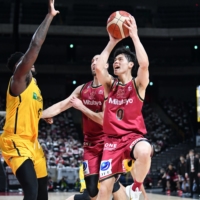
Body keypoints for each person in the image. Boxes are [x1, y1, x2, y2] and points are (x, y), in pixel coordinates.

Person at [42, 55, 126, 200]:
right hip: (90, 144)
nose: (94, 63)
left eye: (98, 60)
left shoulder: (113, 87)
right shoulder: (82, 90)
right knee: (92, 190)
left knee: (110, 183)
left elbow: (104, 120)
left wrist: (82, 107)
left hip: (110, 143)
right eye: (92, 61)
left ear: (106, 65)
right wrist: (41, 115)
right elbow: (62, 105)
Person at [0, 1, 59, 200]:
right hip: (15, 142)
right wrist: (49, 16)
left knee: (43, 189)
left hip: (33, 143)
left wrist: (42, 117)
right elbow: (35, 45)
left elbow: (29, 112)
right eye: (25, 60)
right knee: (31, 191)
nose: (30, 62)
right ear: (20, 65)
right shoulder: (18, 80)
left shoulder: (35, 89)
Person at [95, 15, 152, 200]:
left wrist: (134, 36)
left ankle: (135, 187)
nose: (115, 62)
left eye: (119, 59)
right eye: (114, 61)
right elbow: (98, 68)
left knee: (144, 150)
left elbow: (145, 64)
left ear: (130, 64)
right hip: (111, 142)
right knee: (104, 190)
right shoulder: (110, 85)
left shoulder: (137, 85)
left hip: (132, 137)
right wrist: (112, 42)